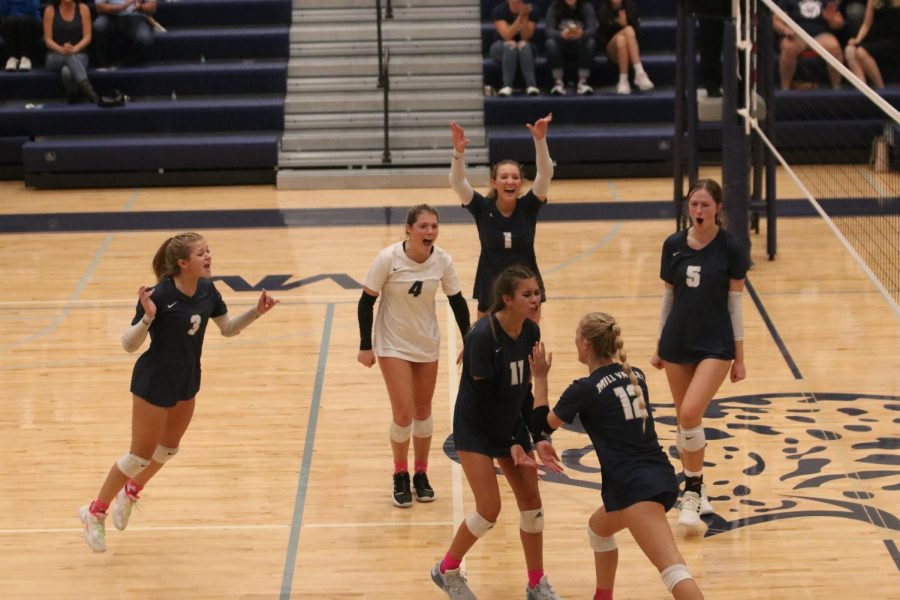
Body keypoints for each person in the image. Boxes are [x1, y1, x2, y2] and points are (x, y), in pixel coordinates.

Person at [78, 232, 280, 553]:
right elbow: (129, 345)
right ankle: (94, 512)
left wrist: (256, 312)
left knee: (168, 450)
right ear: (183, 263)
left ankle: (130, 492)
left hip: (187, 379)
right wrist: (147, 316)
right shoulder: (158, 295)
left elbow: (227, 329)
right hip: (154, 381)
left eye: (209, 250)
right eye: (201, 253)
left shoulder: (206, 289)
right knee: (137, 457)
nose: (209, 257)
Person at [529, 313, 705, 600]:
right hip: (657, 475)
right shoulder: (637, 374)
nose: (574, 341)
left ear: (586, 344)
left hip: (635, 488)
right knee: (598, 530)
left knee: (674, 571)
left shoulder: (583, 390)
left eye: (576, 336)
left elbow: (540, 425)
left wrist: (540, 378)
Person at [431, 265, 562, 600]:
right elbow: (488, 402)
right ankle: (446, 570)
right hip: (476, 426)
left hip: (508, 423)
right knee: (489, 509)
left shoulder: (531, 333)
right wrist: (513, 444)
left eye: (537, 293)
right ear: (507, 298)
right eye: (527, 294)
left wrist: (537, 439)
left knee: (532, 503)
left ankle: (537, 583)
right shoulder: (482, 338)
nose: (535, 300)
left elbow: (523, 395)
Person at [649, 179, 750, 529]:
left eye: (705, 205)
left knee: (691, 412)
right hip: (678, 340)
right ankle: (697, 488)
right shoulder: (674, 245)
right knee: (684, 422)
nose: (698, 211)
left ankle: (690, 491)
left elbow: (735, 304)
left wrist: (740, 356)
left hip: (715, 344)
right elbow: (668, 297)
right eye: (694, 205)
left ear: (718, 208)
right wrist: (660, 343)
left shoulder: (732, 248)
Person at [357, 204, 471, 508]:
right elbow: (366, 301)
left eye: (434, 226)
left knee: (423, 411)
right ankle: (400, 473)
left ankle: (421, 473)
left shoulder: (442, 260)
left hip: (426, 343)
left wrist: (470, 339)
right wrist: (365, 344)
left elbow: (458, 301)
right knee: (404, 413)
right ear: (409, 229)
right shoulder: (388, 259)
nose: (430, 232)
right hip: (392, 344)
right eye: (423, 226)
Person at [449, 113, 553, 322]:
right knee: (486, 346)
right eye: (504, 177)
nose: (510, 181)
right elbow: (458, 182)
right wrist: (458, 152)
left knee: (526, 346)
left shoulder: (528, 206)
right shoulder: (481, 207)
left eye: (515, 177)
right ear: (494, 182)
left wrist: (540, 140)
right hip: (490, 286)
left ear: (521, 182)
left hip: (526, 287)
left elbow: (545, 174)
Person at [775, 0, 846, 89]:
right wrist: (785, 29)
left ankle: (836, 87)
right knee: (789, 47)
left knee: (834, 46)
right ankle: (785, 88)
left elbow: (840, 23)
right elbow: (776, 20)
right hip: (797, 36)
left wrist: (831, 19)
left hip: (821, 36)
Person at [43, 0, 98, 104]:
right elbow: (48, 40)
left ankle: (72, 93)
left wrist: (74, 49)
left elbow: (87, 37)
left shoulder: (83, 9)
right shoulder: (50, 10)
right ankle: (91, 94)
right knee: (68, 56)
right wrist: (61, 49)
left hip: (79, 54)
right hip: (55, 56)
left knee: (67, 72)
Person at [597, 0, 654, 95]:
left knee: (622, 41)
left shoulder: (630, 7)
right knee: (628, 30)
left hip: (628, 48)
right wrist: (618, 25)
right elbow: (602, 38)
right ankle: (639, 72)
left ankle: (623, 80)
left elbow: (637, 34)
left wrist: (625, 24)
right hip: (611, 50)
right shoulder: (604, 10)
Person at [545, 0, 598, 95]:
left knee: (590, 42)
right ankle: (558, 82)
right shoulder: (555, 7)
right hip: (562, 45)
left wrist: (582, 34)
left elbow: (593, 29)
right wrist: (560, 34)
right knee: (550, 43)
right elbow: (548, 30)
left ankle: (583, 81)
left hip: (580, 44)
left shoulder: (586, 7)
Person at [844, 0, 900, 89]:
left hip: (894, 39)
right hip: (877, 38)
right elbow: (866, 24)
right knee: (849, 50)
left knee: (861, 52)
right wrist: (858, 39)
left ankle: (880, 89)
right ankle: (862, 90)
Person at [490, 0, 540, 97]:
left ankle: (531, 85)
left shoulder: (532, 9)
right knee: (510, 45)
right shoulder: (499, 10)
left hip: (527, 47)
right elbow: (507, 36)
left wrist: (525, 16)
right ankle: (507, 86)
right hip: (501, 46)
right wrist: (520, 16)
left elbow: (526, 36)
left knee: (523, 44)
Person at [92, 0, 155, 68]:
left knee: (145, 39)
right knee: (99, 26)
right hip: (109, 16)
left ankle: (126, 65)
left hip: (134, 17)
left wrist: (141, 7)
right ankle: (101, 66)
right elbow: (100, 7)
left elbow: (152, 7)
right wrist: (122, 7)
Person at [1, 0, 42, 70]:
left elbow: (32, 8)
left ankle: (26, 58)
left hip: (32, 19)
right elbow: (3, 10)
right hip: (10, 20)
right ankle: (12, 58)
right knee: (8, 22)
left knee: (22, 21)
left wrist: (16, 14)